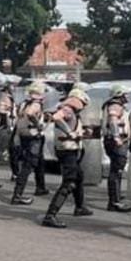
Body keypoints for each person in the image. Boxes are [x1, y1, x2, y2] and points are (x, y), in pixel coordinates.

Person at [41, 88, 92, 228]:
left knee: (79, 176)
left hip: (70, 150)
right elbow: (56, 118)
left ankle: (80, 207)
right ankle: (50, 215)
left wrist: (81, 132)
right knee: (69, 182)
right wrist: (70, 132)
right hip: (67, 151)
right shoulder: (67, 109)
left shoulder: (70, 111)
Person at [11, 81, 47, 205]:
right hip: (33, 136)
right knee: (28, 166)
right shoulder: (36, 104)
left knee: (37, 162)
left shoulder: (24, 103)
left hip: (24, 136)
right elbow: (30, 114)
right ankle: (18, 194)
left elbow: (20, 118)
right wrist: (38, 124)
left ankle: (40, 187)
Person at [102, 84, 131, 212]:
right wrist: (116, 137)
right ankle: (114, 201)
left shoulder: (114, 105)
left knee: (117, 170)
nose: (128, 96)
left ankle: (116, 197)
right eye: (126, 94)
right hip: (116, 142)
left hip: (114, 141)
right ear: (120, 94)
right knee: (116, 171)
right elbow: (113, 121)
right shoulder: (115, 106)